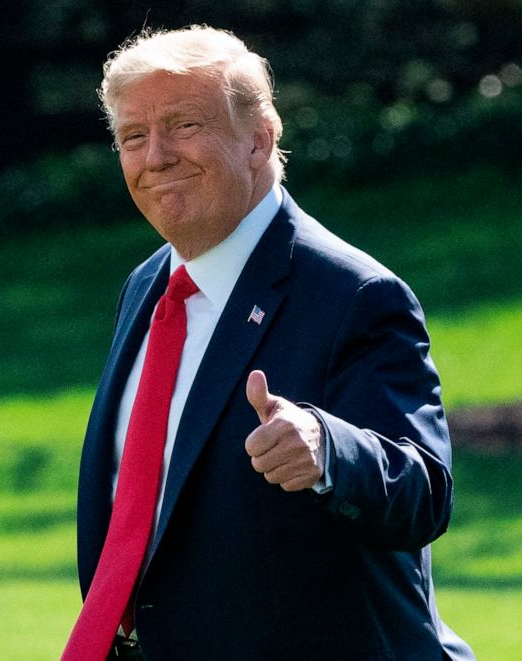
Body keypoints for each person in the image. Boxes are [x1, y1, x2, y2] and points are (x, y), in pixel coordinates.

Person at [62, 25, 474, 661]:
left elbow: (423, 493)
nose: (156, 157)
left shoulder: (355, 295)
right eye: (133, 137)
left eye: (183, 125)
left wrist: (326, 445)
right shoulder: (146, 286)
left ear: (260, 140)